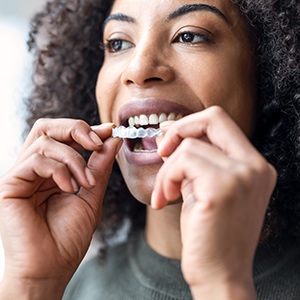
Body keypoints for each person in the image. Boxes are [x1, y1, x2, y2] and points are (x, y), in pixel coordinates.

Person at [0, 0, 299, 299]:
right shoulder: (75, 286)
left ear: (268, 71)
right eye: (118, 43)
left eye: (189, 35)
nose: (138, 68)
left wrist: (221, 284)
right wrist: (31, 283)